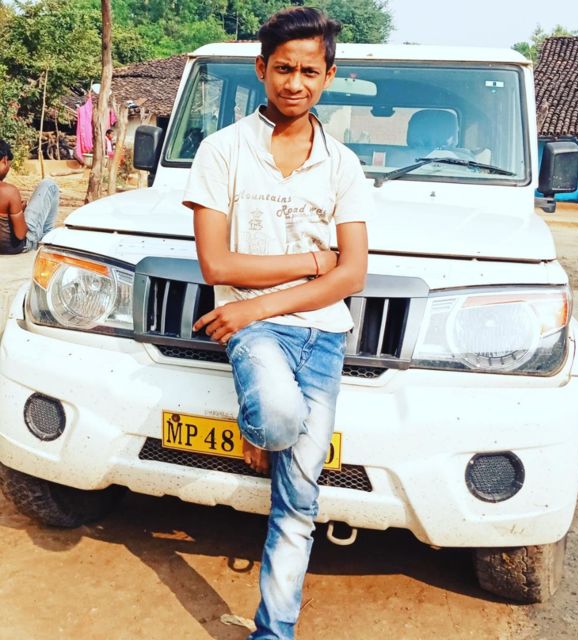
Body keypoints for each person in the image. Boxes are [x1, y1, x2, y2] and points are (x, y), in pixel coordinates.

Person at [182, 7, 371, 639]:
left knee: (299, 503)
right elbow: (218, 263)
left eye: (309, 72)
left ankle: (274, 632)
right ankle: (259, 424)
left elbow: (353, 275)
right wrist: (317, 262)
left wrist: (253, 303)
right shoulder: (223, 151)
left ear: (329, 76)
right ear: (262, 68)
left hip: (322, 336)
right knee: (278, 418)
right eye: (283, 69)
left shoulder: (342, 164)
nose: (295, 83)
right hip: (260, 336)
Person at [0, 139, 59, 254]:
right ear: (5, 160)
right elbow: (21, 234)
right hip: (15, 246)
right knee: (49, 185)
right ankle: (47, 238)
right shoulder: (9, 191)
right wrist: (20, 212)